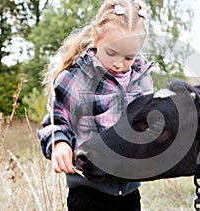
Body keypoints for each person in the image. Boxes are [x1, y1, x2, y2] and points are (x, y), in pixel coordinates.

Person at [38, 0, 154, 210]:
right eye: (112, 53)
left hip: (128, 191)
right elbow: (56, 121)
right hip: (87, 190)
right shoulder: (75, 78)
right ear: (95, 37)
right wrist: (59, 144)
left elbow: (147, 126)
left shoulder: (142, 80)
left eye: (129, 56)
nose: (119, 63)